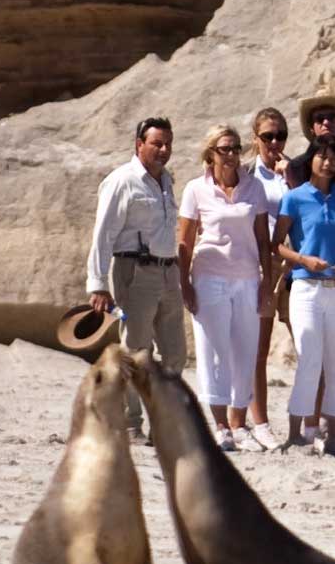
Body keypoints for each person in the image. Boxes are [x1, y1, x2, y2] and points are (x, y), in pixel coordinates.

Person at [86, 116, 187, 434]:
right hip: (135, 271)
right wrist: (98, 283)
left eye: (168, 143)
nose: (164, 149)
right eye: (157, 143)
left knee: (175, 353)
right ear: (139, 144)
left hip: (168, 272)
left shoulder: (166, 180)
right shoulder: (122, 180)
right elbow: (103, 235)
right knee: (135, 351)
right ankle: (131, 423)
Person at [177, 124, 273, 452]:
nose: (231, 154)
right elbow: (185, 241)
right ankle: (220, 425)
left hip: (247, 277)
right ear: (211, 154)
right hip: (209, 276)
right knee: (213, 352)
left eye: (235, 148)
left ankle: (239, 422)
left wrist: (267, 285)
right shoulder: (195, 189)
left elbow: (263, 240)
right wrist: (185, 284)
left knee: (245, 350)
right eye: (224, 149)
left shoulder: (254, 187)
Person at [273, 135, 335, 457]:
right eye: (322, 155)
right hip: (306, 288)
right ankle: (295, 435)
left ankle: (333, 436)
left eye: (334, 157)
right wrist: (303, 259)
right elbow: (276, 243)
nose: (328, 161)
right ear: (310, 159)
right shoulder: (294, 198)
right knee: (309, 360)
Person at [243, 108, 291, 452]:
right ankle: (259, 422)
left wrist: (293, 180)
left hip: (297, 262)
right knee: (258, 347)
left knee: (307, 342)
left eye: (280, 135)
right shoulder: (247, 175)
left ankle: (310, 424)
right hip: (263, 262)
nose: (275, 142)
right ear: (255, 139)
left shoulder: (296, 173)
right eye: (268, 136)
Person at [285, 94, 335, 188]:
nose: (326, 122)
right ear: (311, 128)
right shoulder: (297, 167)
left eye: (332, 117)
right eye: (319, 119)